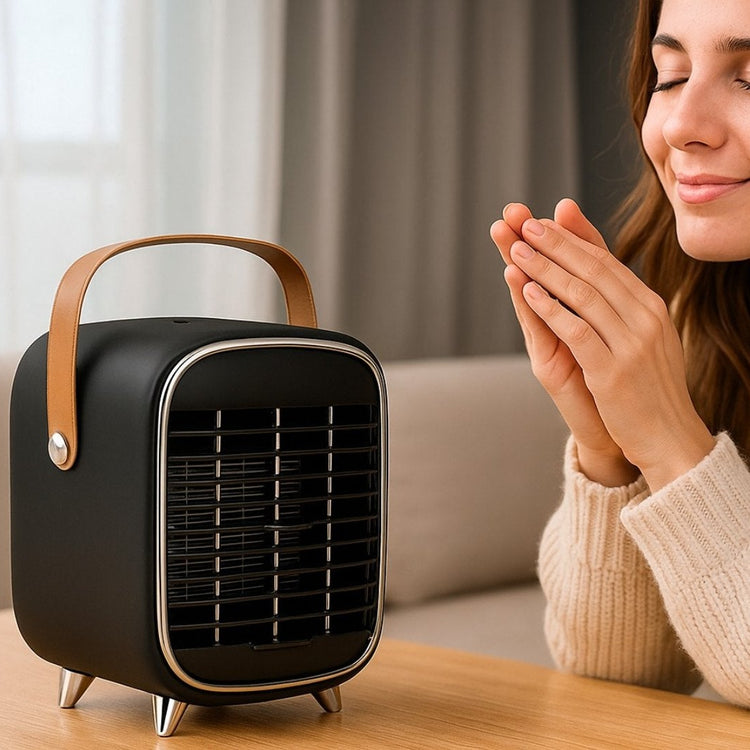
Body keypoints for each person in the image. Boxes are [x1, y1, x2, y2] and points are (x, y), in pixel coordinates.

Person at [490, 0, 750, 707]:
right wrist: (612, 455)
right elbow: (623, 672)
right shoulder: (707, 313)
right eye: (670, 76)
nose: (680, 127)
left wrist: (670, 441)